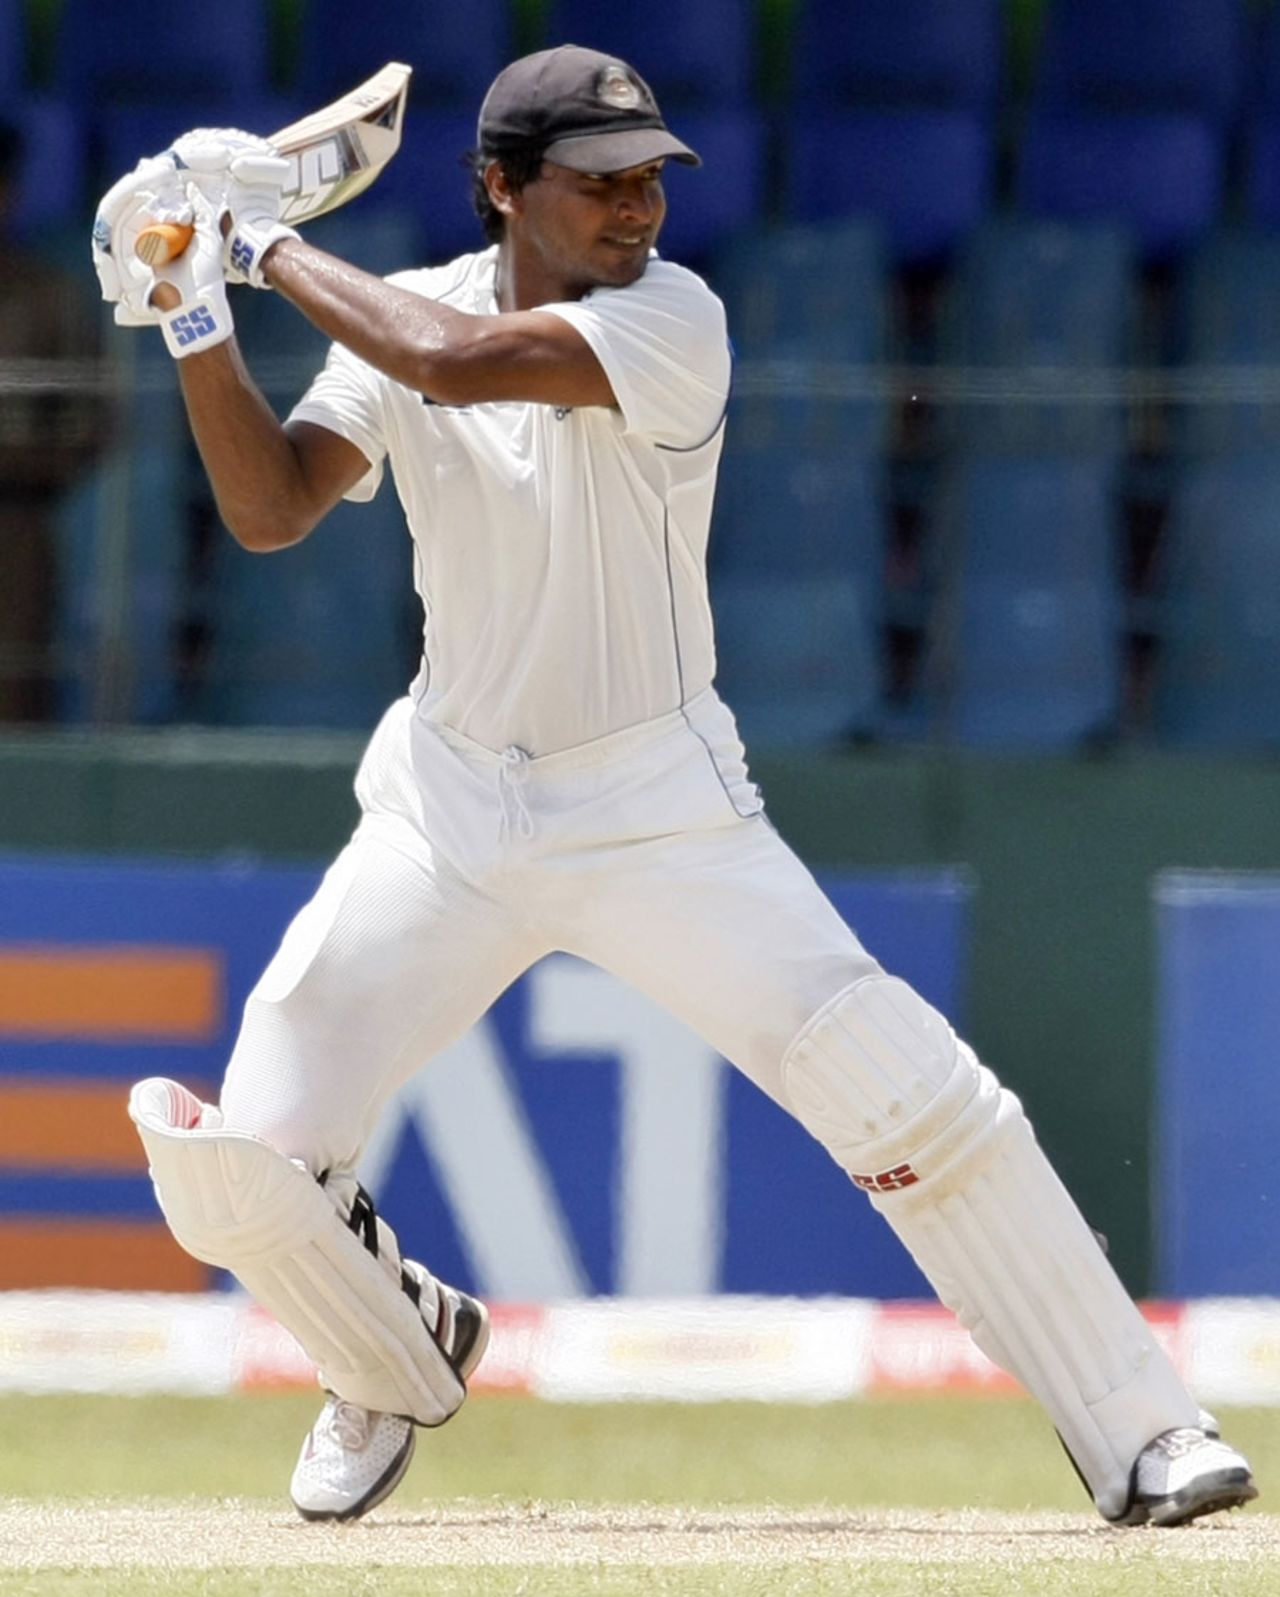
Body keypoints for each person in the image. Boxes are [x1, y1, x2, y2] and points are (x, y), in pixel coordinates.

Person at [98, 46, 1256, 1527]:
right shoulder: (405, 318)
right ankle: (393, 1353)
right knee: (241, 1167)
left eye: (650, 178)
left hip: (659, 806)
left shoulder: (669, 319)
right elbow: (268, 509)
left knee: (910, 1094)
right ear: (505, 187)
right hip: (447, 811)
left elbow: (451, 363)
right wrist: (195, 309)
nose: (638, 208)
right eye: (600, 183)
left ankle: (1146, 1435)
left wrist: (255, 237)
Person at [0, 117, 102, 720]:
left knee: (13, 703)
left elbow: (92, 420)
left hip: (15, 526)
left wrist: (19, 460)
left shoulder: (49, 296)